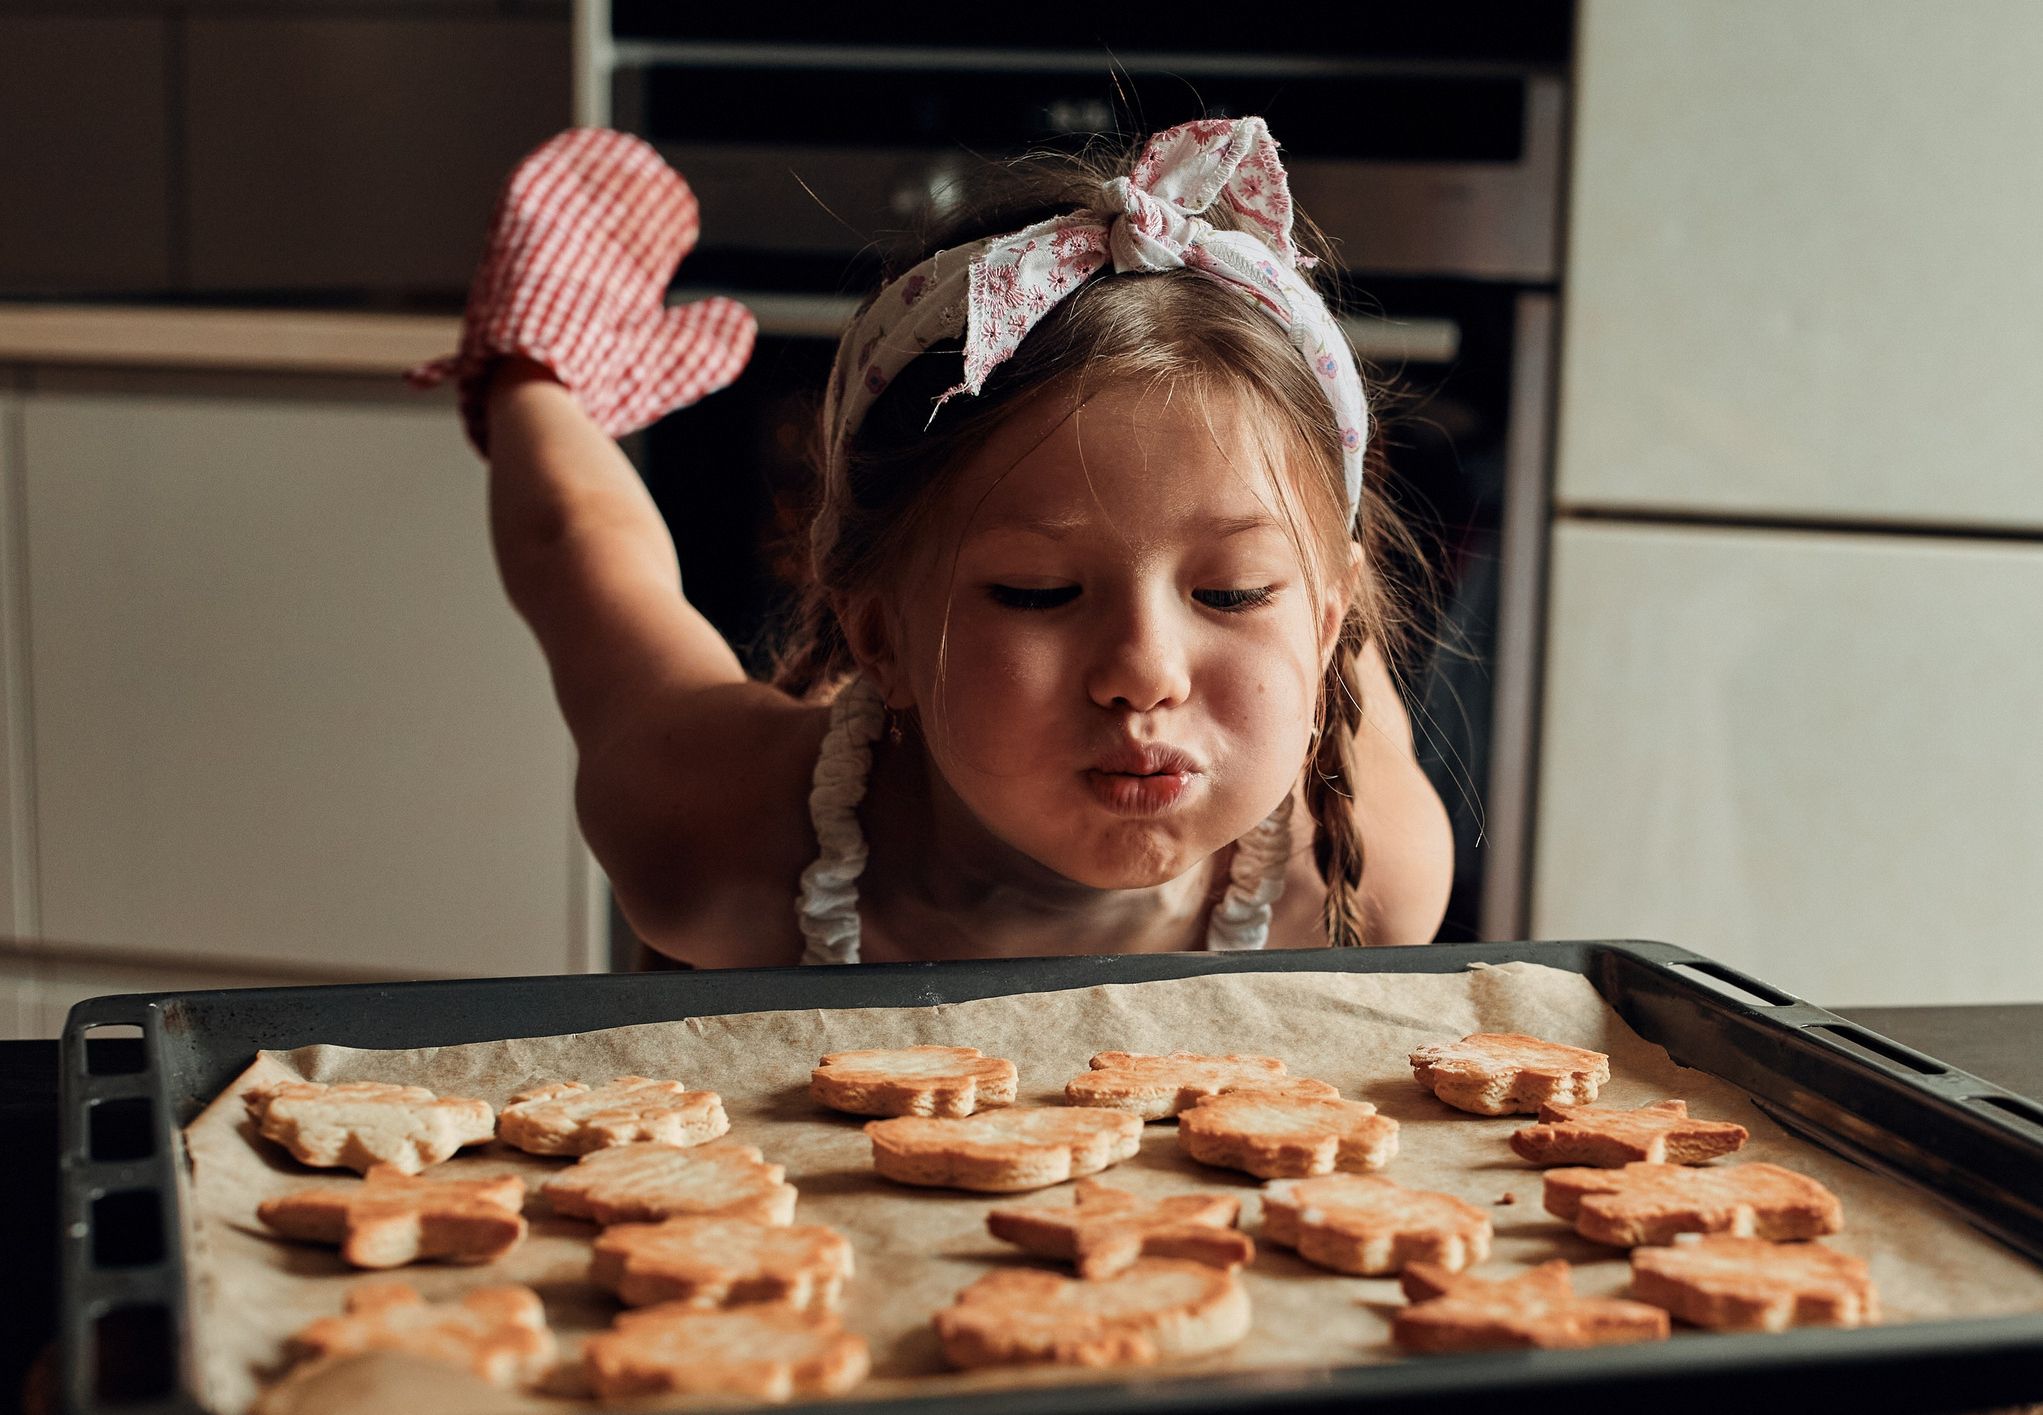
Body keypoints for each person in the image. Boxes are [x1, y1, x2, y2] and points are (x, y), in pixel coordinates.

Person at [417, 120, 1454, 970]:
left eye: (1227, 594)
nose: (1145, 674)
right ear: (878, 634)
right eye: (1038, 590)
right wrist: (530, 378)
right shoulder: (716, 844)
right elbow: (581, 551)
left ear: (1325, 629)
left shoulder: (1366, 878)